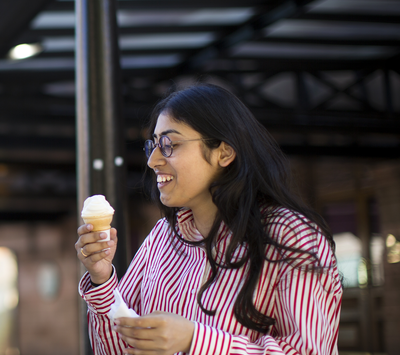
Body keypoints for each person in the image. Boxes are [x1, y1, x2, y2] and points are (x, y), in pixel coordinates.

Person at [75, 84, 342, 354]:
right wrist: (101, 279)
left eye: (169, 144)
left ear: (224, 153)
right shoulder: (162, 237)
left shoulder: (292, 236)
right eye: (153, 145)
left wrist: (196, 340)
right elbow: (119, 349)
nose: (153, 160)